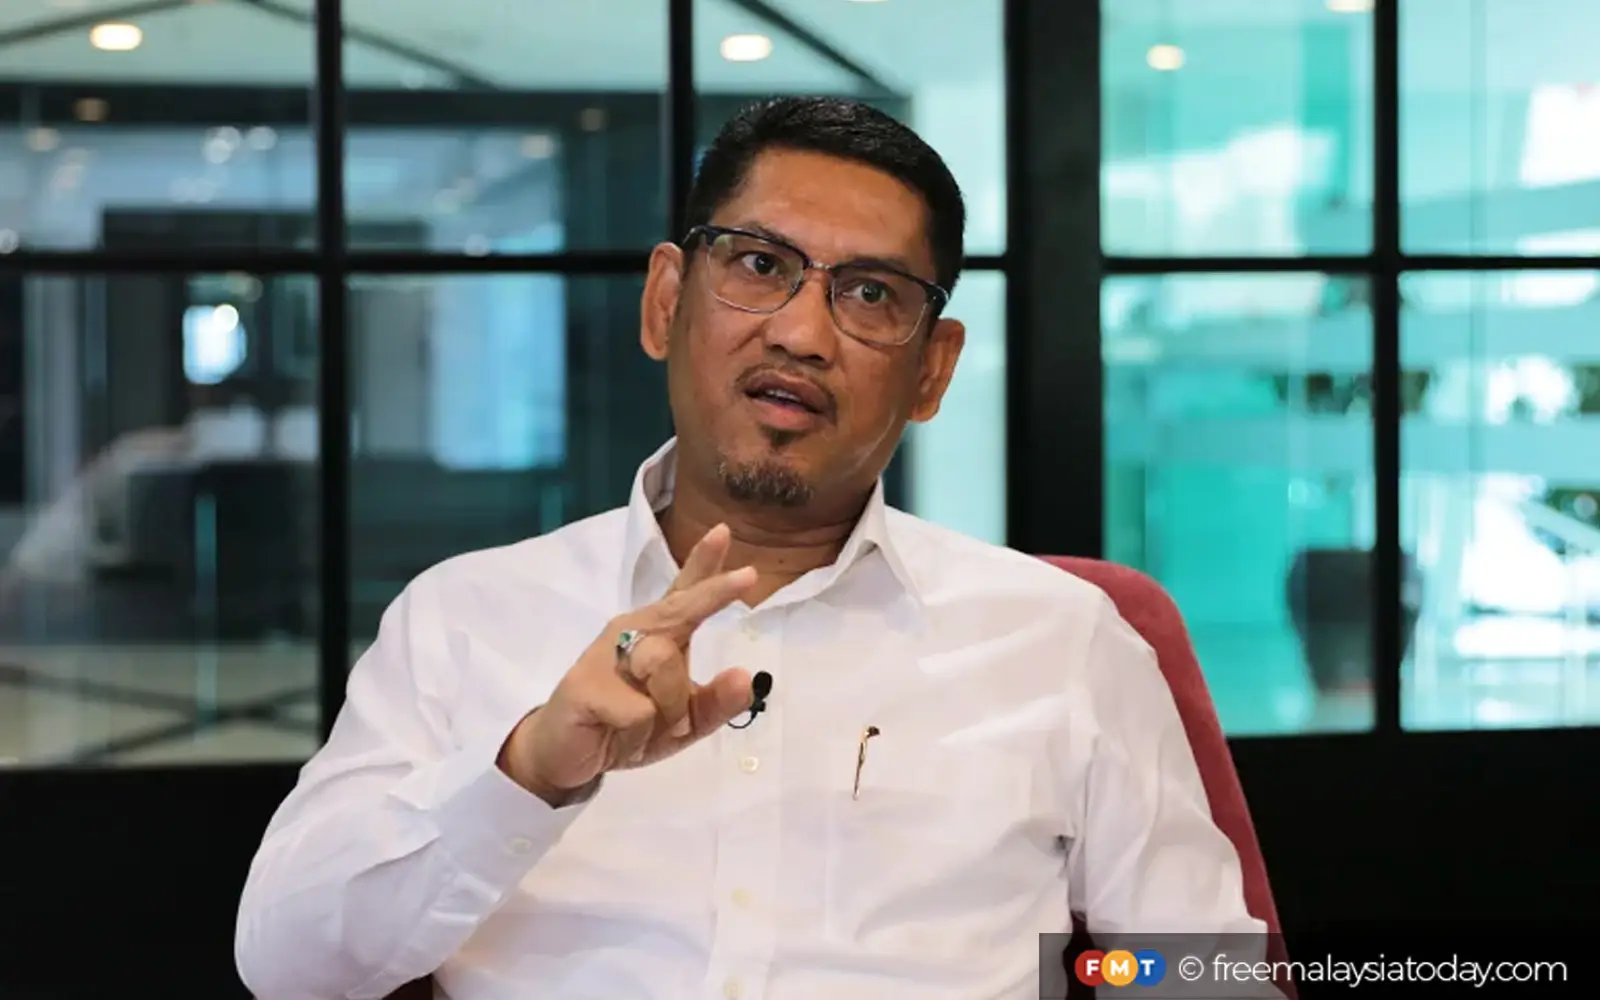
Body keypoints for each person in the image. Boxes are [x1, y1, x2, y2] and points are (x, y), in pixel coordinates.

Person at [235, 97, 1269, 1000]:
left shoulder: (1062, 641)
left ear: (932, 371)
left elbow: (1205, 969)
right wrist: (526, 771)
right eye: (761, 265)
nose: (802, 333)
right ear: (665, 302)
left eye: (870, 293)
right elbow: (286, 966)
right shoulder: (465, 618)